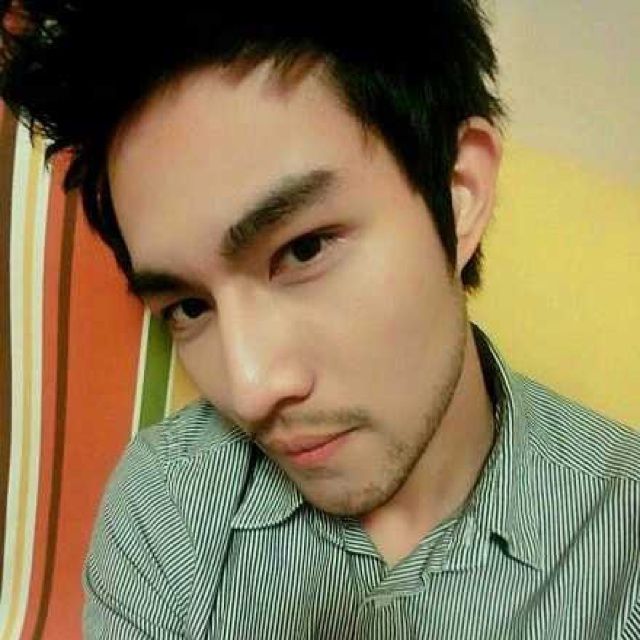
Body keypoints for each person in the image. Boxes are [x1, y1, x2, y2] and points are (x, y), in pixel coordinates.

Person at [1, 2, 639, 638]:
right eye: (189, 308)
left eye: (304, 250)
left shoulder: (622, 536)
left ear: (458, 191)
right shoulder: (164, 505)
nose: (250, 389)